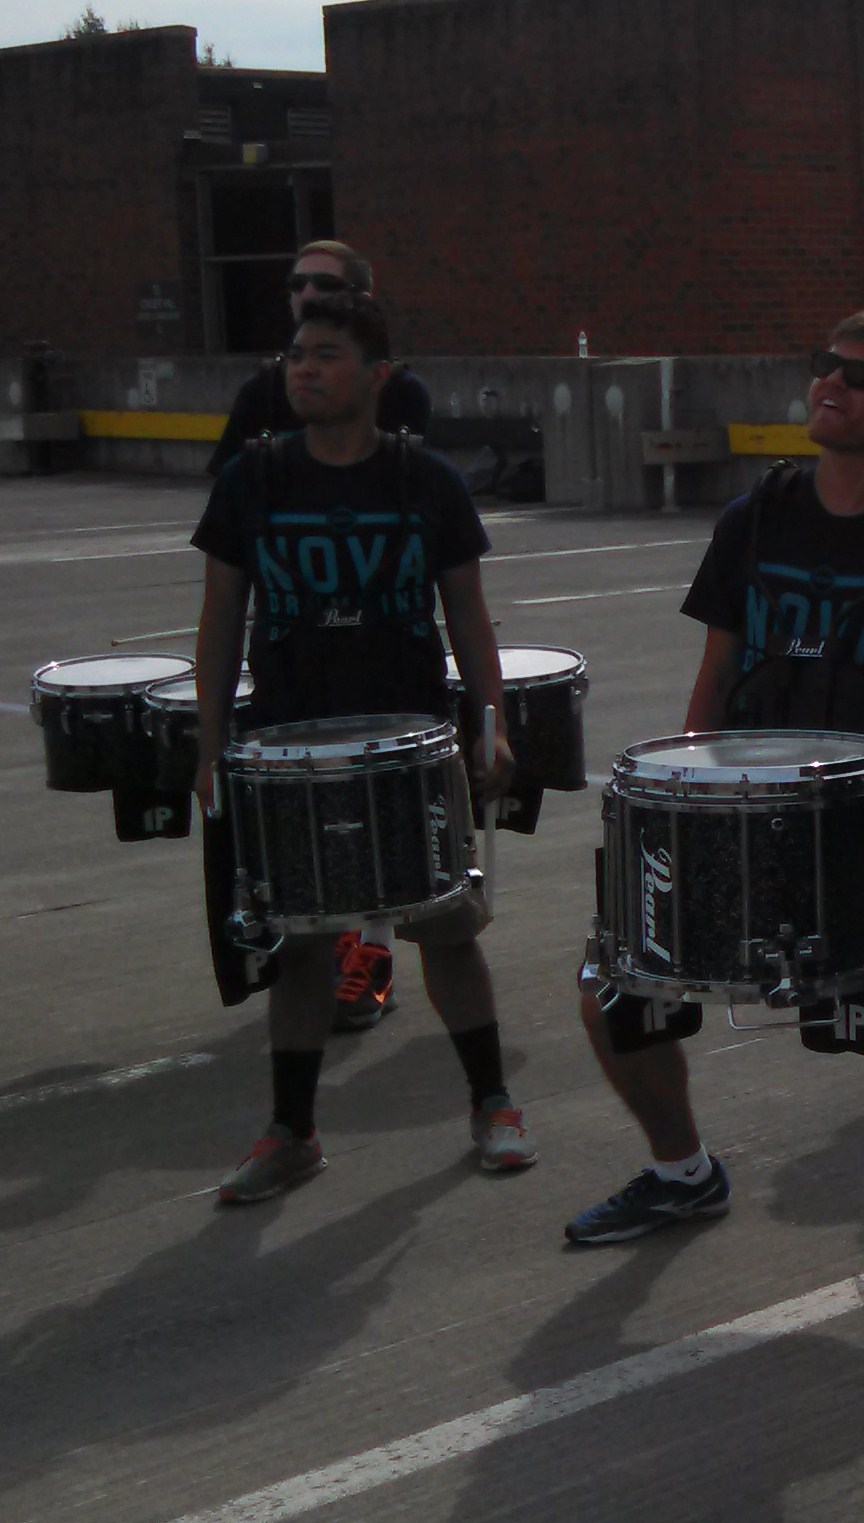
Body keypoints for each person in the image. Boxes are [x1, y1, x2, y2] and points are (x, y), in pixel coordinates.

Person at [560, 311, 864, 1246]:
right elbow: (718, 668)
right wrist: (687, 803)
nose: (831, 384)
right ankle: (681, 1173)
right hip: (749, 815)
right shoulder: (758, 514)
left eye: (859, 376)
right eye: (825, 365)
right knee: (615, 985)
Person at [184, 291, 534, 1203]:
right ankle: (292, 1131)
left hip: (409, 740)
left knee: (444, 927)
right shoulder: (253, 479)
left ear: (378, 376)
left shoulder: (427, 482)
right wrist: (211, 747)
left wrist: (491, 725)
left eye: (326, 354)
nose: (304, 369)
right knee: (303, 940)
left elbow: (468, 617)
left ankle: (493, 1101)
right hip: (290, 742)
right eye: (296, 354)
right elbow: (220, 620)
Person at [206, 239, 435, 1035]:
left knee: (381, 806)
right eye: (296, 283)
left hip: (380, 635)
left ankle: (373, 951)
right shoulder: (263, 391)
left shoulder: (398, 392)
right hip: (295, 638)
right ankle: (327, 946)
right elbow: (227, 502)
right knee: (311, 814)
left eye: (323, 283)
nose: (304, 293)